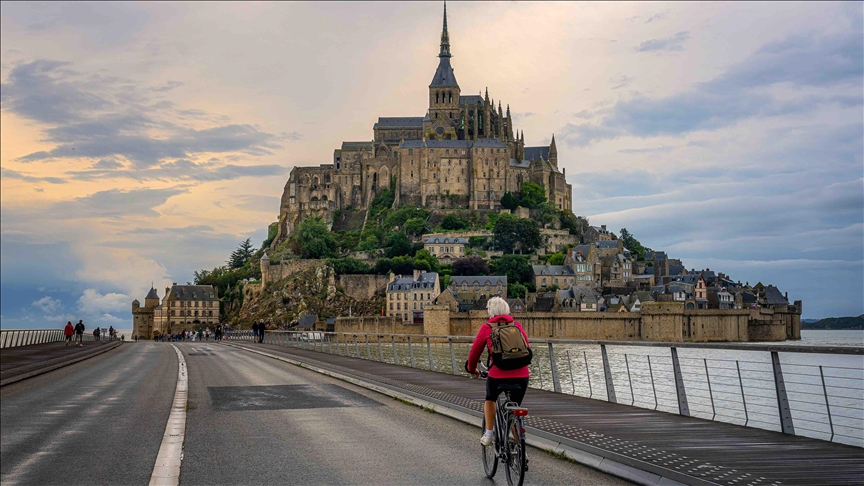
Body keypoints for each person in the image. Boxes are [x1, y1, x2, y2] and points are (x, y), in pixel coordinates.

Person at [466, 297, 530, 447]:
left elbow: (474, 353)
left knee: (490, 399)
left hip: (497, 374)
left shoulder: (487, 327)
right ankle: (521, 449)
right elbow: (526, 348)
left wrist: (472, 369)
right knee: (514, 410)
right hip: (522, 376)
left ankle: (489, 434)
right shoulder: (517, 326)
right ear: (507, 310)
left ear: (490, 311)